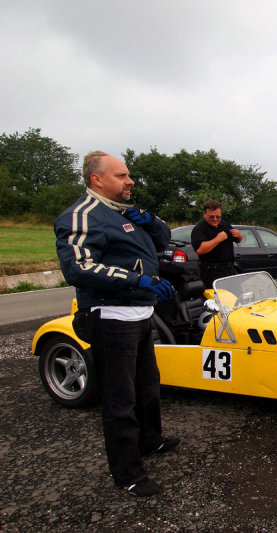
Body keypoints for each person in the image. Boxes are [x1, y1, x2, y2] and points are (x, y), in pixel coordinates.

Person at [54, 151, 179, 497]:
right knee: (119, 398)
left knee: (148, 386)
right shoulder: (83, 215)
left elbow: (163, 239)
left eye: (128, 176)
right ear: (97, 179)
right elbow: (77, 267)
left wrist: (150, 220)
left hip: (139, 315)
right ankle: (128, 473)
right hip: (111, 318)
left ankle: (150, 441)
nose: (130, 181)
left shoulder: (122, 213)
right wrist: (135, 281)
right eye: (122, 176)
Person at [191, 200, 243, 288]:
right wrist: (217, 239)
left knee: (236, 298)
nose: (215, 219)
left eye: (218, 217)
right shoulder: (199, 229)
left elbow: (237, 240)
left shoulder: (224, 224)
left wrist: (239, 236)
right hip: (212, 272)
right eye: (211, 217)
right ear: (204, 214)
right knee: (218, 300)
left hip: (230, 270)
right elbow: (200, 249)